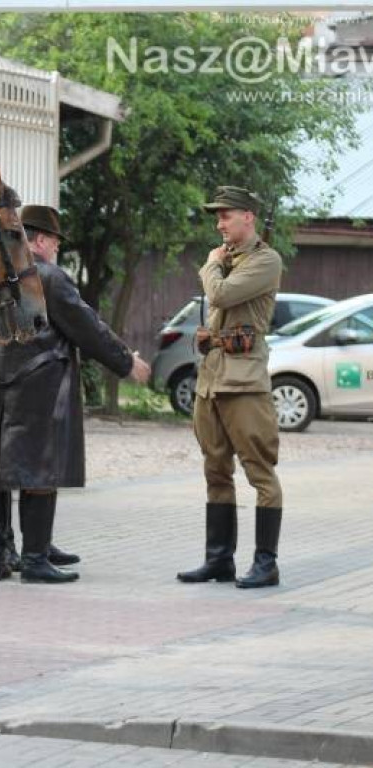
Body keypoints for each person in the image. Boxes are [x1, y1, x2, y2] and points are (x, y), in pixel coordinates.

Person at [0, 204, 151, 583]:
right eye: (55, 242)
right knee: (39, 469)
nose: (56, 249)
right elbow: (88, 329)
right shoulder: (49, 279)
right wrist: (127, 363)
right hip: (40, 391)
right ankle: (35, 557)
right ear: (40, 240)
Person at [177, 186, 283, 589]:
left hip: (244, 383)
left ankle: (266, 563)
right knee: (215, 470)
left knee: (260, 472)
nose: (219, 224)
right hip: (212, 380)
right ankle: (219, 559)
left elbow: (219, 292)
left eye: (226, 216)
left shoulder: (265, 261)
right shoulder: (229, 259)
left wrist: (209, 265)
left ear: (248, 217)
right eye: (217, 217)